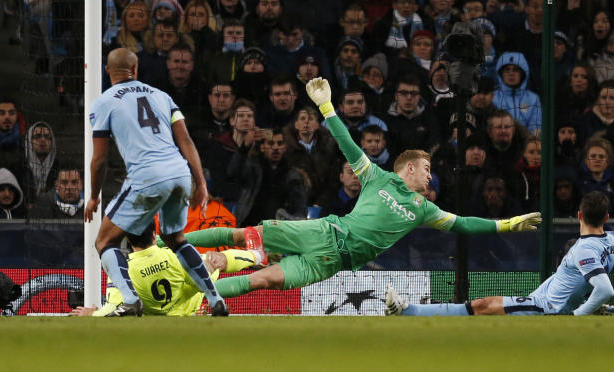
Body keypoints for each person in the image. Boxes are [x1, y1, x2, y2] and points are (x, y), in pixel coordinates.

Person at [172, 77, 540, 294]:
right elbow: (348, 145)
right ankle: (164, 244)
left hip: (334, 263)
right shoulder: (377, 177)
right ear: (408, 168)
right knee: (240, 237)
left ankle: (195, 297)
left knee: (263, 280)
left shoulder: (423, 208)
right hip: (322, 234)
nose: (430, 176)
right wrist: (327, 107)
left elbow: (461, 224)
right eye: (426, 169)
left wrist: (505, 224)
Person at [86, 48, 228, 316]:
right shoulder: (162, 96)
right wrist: (201, 183)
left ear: (108, 71)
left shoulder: (103, 102)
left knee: (104, 242)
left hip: (147, 175)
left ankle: (130, 300)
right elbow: (185, 139)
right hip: (179, 173)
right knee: (175, 238)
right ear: (136, 69)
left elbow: (100, 159)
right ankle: (215, 298)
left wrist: (93, 196)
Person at [386, 191, 614, 316]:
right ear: (607, 217)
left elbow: (605, 288)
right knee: (485, 313)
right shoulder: (613, 239)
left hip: (545, 308)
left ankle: (408, 311)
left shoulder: (585, 249)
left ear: (578, 215)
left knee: (482, 305)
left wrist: (578, 316)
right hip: (541, 300)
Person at [72, 220, 264, 317]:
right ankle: (256, 256)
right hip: (194, 309)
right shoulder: (172, 256)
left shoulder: (122, 271)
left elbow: (113, 307)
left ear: (128, 240)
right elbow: (198, 283)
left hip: (157, 321)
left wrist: (91, 314)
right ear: (155, 235)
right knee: (213, 260)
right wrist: (208, 266)